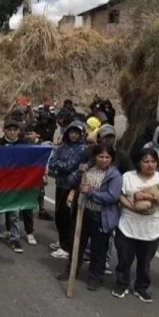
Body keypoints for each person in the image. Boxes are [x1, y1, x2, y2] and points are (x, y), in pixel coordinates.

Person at [56, 145, 121, 291]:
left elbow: (112, 196)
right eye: (101, 156)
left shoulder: (114, 175)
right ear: (94, 157)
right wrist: (78, 173)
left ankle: (95, 278)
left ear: (111, 159)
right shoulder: (87, 168)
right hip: (82, 213)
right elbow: (69, 182)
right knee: (77, 244)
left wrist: (91, 192)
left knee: (99, 250)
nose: (104, 160)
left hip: (101, 217)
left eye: (107, 157)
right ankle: (71, 270)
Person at [113, 148, 159, 302]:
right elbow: (119, 195)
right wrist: (132, 207)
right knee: (124, 259)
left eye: (153, 161)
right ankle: (122, 283)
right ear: (139, 163)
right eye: (146, 161)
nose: (150, 165)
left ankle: (141, 287)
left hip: (152, 229)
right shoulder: (128, 177)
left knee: (145, 262)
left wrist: (147, 197)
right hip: (128, 225)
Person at [0, 120, 26, 253]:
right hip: (0, 184)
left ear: (19, 131)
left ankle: (15, 239)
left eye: (15, 129)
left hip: (16, 185)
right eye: (9, 129)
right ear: (4, 130)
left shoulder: (25, 145)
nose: (12, 132)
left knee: (14, 213)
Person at [48, 121, 86, 259]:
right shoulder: (63, 146)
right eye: (71, 132)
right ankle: (62, 240)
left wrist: (59, 166)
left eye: (76, 133)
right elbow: (52, 162)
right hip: (60, 184)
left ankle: (67, 246)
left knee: (67, 216)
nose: (73, 135)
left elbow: (71, 166)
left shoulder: (82, 149)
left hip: (72, 186)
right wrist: (58, 166)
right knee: (59, 215)